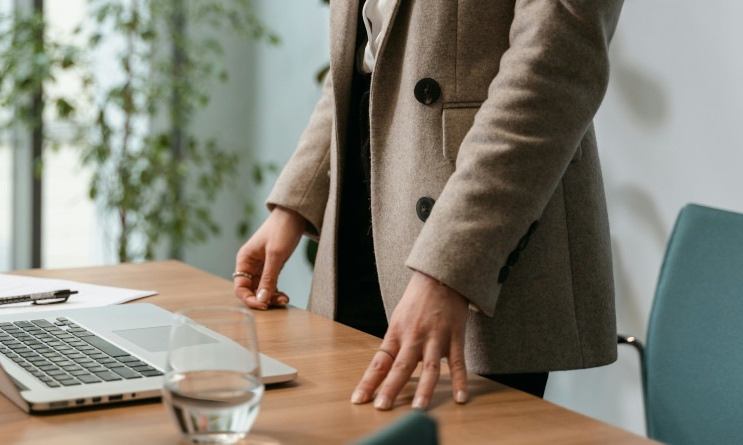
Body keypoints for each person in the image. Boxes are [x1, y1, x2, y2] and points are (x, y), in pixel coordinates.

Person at [233, 0, 625, 411]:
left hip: (474, 229)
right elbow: (364, 54)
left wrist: (449, 267)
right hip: (359, 213)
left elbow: (555, 67)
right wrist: (295, 201)